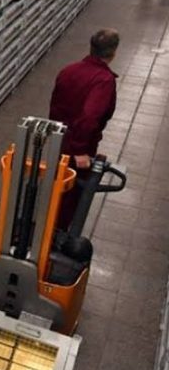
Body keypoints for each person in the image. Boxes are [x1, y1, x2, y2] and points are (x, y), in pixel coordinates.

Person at [49, 28, 120, 230]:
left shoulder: (68, 70)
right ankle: (59, 233)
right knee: (72, 192)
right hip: (80, 145)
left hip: (60, 139)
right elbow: (89, 116)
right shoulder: (103, 80)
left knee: (57, 183)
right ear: (113, 52)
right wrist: (80, 150)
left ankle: (49, 224)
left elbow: (55, 106)